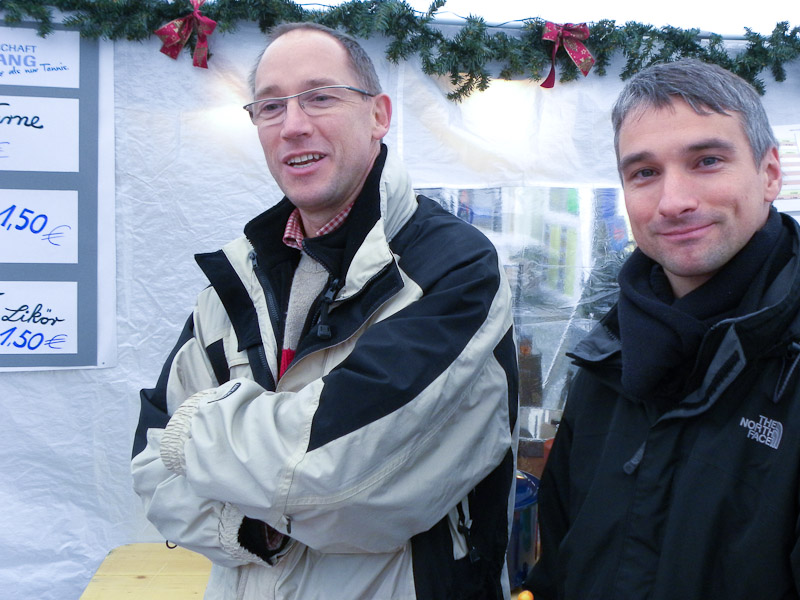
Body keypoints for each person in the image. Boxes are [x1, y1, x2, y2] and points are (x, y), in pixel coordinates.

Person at [131, 22, 519, 600]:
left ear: (379, 115)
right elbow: (150, 463)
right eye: (270, 106)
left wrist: (194, 430)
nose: (292, 125)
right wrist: (255, 529)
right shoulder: (236, 279)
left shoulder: (453, 268)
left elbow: (336, 478)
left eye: (319, 97)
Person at [525, 58, 799, 599]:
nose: (673, 202)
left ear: (770, 173)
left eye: (707, 161)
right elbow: (558, 560)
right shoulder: (610, 356)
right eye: (645, 173)